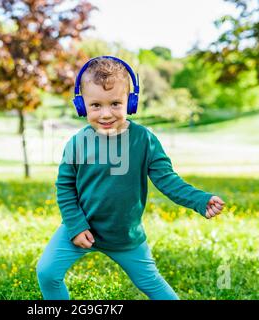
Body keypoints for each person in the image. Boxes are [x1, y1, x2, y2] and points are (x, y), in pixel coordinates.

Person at [36, 56, 226, 300]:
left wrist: (199, 200)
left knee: (151, 282)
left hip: (124, 234)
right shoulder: (77, 143)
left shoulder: (143, 140)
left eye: (115, 103)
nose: (106, 114)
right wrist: (75, 226)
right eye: (96, 106)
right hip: (81, 228)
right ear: (82, 106)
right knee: (47, 272)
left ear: (131, 102)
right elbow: (65, 188)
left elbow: (168, 180)